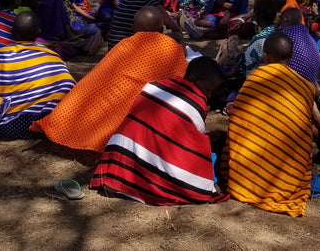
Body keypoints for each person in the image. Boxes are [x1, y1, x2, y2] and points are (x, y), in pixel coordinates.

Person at [32, 7, 188, 152]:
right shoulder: (171, 47)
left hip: (91, 117)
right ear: (161, 29)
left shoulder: (124, 45)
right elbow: (180, 80)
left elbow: (95, 79)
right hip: (139, 119)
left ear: (133, 29)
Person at [90, 56, 229, 205]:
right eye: (208, 90)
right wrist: (207, 142)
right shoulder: (196, 102)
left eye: (212, 92)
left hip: (118, 165)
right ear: (194, 79)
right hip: (148, 175)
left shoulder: (153, 86)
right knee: (207, 159)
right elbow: (190, 145)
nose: (208, 96)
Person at [222, 33, 315, 217]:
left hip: (243, 177)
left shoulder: (257, 76)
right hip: (288, 180)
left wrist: (237, 110)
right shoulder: (306, 87)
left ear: (265, 56)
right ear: (291, 56)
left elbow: (240, 123)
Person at [0, 12, 75, 139]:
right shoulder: (53, 57)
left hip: (12, 127)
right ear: (39, 32)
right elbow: (69, 86)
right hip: (53, 122)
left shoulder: (0, 56)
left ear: (12, 32)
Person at [35, 0, 103, 59]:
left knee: (98, 31)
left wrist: (89, 19)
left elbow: (71, 8)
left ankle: (82, 44)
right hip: (57, 33)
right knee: (95, 31)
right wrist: (69, 31)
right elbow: (53, 21)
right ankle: (82, 46)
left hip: (68, 27)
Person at [107, 0, 181, 48]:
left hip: (114, 49)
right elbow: (174, 27)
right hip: (132, 52)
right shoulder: (150, 3)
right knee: (176, 35)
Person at [277, 8, 320, 87]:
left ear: (284, 19)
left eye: (280, 18)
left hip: (294, 86)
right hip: (311, 83)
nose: (278, 21)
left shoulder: (284, 34)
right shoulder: (305, 33)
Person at [239, 0, 279, 77]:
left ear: (256, 17)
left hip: (260, 82)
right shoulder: (281, 31)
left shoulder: (258, 41)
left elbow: (245, 70)